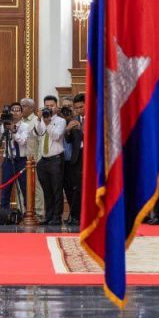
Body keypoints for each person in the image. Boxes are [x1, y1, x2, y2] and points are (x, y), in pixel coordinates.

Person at [33, 95, 66, 225]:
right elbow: (36, 133)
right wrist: (39, 119)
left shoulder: (61, 121)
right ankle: (49, 216)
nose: (49, 108)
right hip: (43, 160)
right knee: (46, 190)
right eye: (47, 106)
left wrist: (48, 123)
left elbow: (56, 136)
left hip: (56, 159)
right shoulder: (42, 119)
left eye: (52, 106)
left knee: (57, 189)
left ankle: (57, 217)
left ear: (56, 107)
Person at [0, 102, 29, 211]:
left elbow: (22, 141)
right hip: (8, 159)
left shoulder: (26, 126)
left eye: (18, 110)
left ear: (21, 113)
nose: (15, 112)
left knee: (25, 188)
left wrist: (14, 131)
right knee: (5, 188)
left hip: (21, 160)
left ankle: (28, 212)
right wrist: (0, 123)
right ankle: (4, 212)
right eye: (13, 110)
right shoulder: (4, 124)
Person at [63, 93, 84, 225]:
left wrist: (83, 130)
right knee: (76, 187)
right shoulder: (74, 120)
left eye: (81, 107)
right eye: (76, 108)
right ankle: (76, 216)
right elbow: (68, 140)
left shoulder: (96, 118)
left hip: (91, 156)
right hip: (77, 157)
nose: (79, 110)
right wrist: (68, 130)